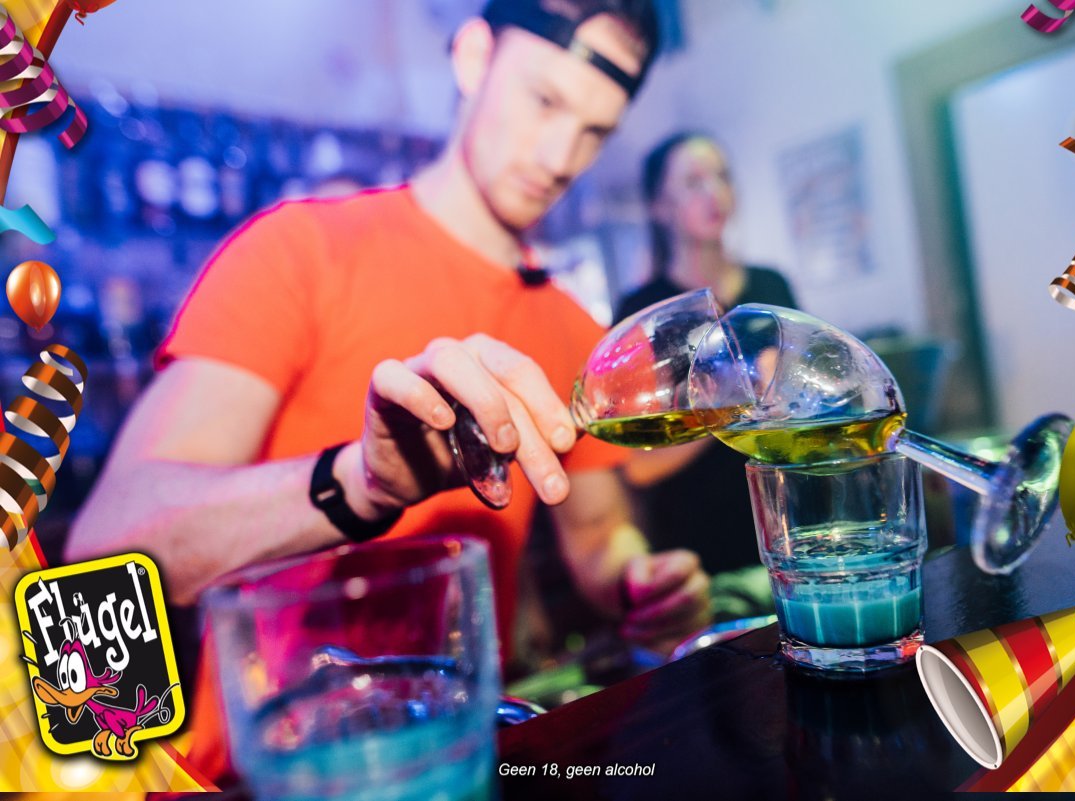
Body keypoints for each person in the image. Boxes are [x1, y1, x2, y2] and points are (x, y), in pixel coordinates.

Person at [66, 0, 710, 784]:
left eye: (594, 131)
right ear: (474, 58)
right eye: (545, 100)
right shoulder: (300, 253)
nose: (559, 156)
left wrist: (638, 581)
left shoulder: (570, 325)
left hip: (455, 761)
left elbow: (600, 532)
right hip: (260, 774)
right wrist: (360, 481)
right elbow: (104, 552)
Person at [615, 133, 798, 577]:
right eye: (694, 181)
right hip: (698, 547)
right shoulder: (642, 312)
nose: (714, 192)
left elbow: (799, 408)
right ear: (660, 206)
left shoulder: (771, 286)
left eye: (722, 177)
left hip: (790, 525)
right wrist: (730, 401)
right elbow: (637, 468)